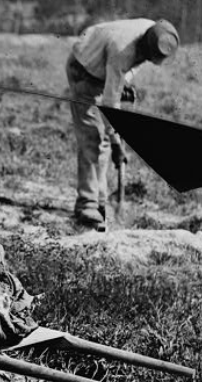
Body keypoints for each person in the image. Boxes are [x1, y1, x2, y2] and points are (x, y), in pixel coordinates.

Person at [65, 17, 180, 227]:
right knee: (92, 138)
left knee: (105, 143)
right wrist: (119, 141)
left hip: (104, 70)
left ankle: (100, 201)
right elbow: (111, 105)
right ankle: (87, 204)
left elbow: (124, 72)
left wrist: (121, 84)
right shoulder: (123, 50)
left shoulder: (155, 32)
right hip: (83, 69)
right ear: (146, 47)